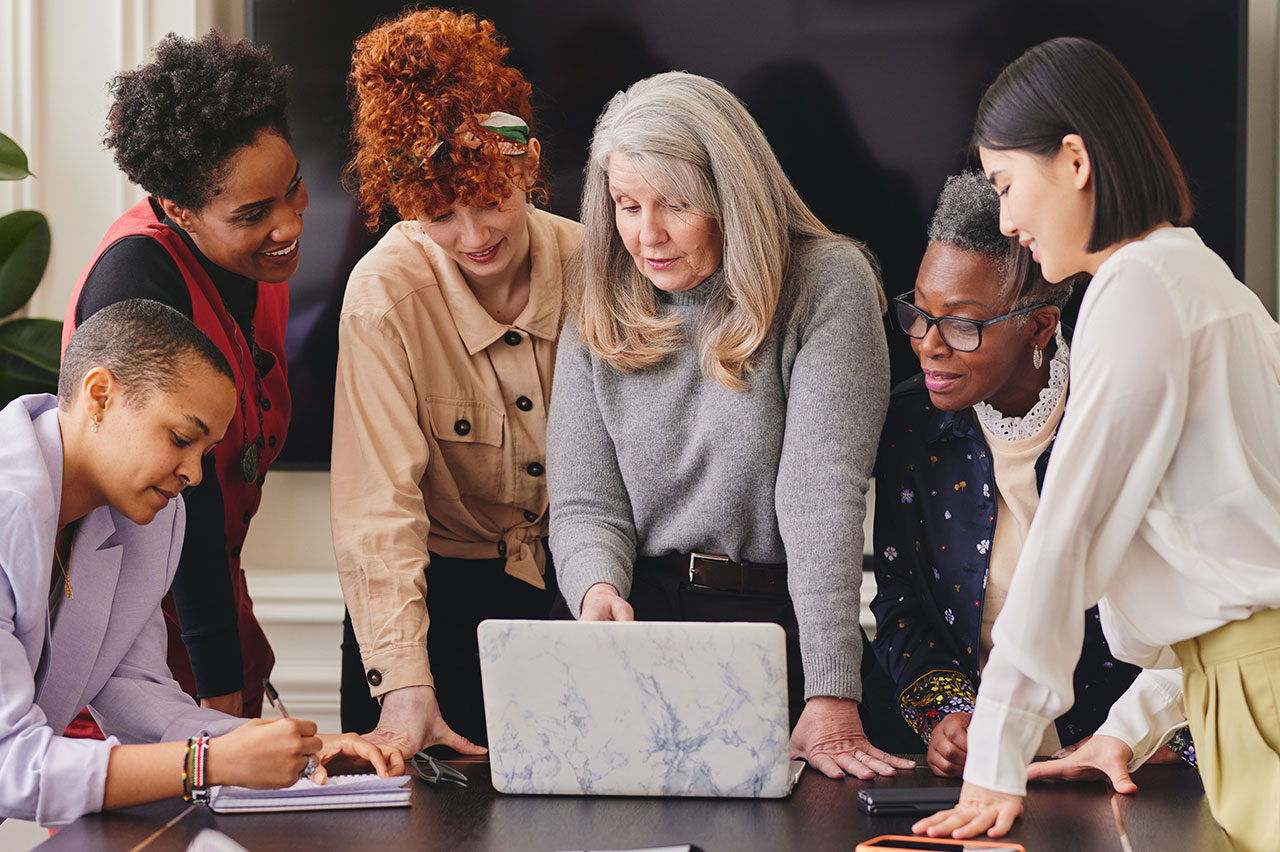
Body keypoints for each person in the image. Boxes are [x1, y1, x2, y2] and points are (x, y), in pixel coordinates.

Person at [913, 38, 1280, 851]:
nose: (1007, 220)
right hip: (1235, 692)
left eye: (1008, 185)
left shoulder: (1136, 287)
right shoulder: (1202, 281)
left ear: (1075, 160)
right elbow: (1226, 573)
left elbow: (1067, 537)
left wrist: (996, 752)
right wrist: (1127, 727)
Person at [547, 70, 914, 780]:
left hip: (769, 630)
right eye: (626, 205)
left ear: (730, 197)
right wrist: (596, 593)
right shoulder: (595, 294)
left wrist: (830, 687)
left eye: (675, 206)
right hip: (633, 630)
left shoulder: (826, 282)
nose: (645, 235)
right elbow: (587, 502)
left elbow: (821, 497)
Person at [0, 301, 400, 827]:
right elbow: (9, 764)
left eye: (206, 451)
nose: (193, 473)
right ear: (100, 396)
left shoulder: (151, 518)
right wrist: (207, 763)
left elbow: (134, 689)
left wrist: (292, 750)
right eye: (181, 439)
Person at [872, 171, 1194, 777]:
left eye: (962, 324)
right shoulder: (909, 425)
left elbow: (1188, 617)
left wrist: (1128, 736)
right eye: (918, 312)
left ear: (1040, 326)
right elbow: (901, 610)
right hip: (993, 767)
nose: (928, 345)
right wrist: (952, 716)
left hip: (1135, 764)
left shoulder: (1119, 409)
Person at [331, 8, 582, 755]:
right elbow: (378, 509)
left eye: (492, 200)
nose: (474, 238)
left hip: (581, 594)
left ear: (529, 165)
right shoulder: (382, 296)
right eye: (439, 215)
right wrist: (407, 685)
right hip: (434, 610)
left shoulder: (600, 266)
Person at [62, 32, 305, 724]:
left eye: (292, 189)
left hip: (215, 619)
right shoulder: (136, 277)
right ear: (178, 209)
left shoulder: (263, 268)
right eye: (253, 215)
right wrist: (216, 681)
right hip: (128, 651)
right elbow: (184, 504)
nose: (289, 225)